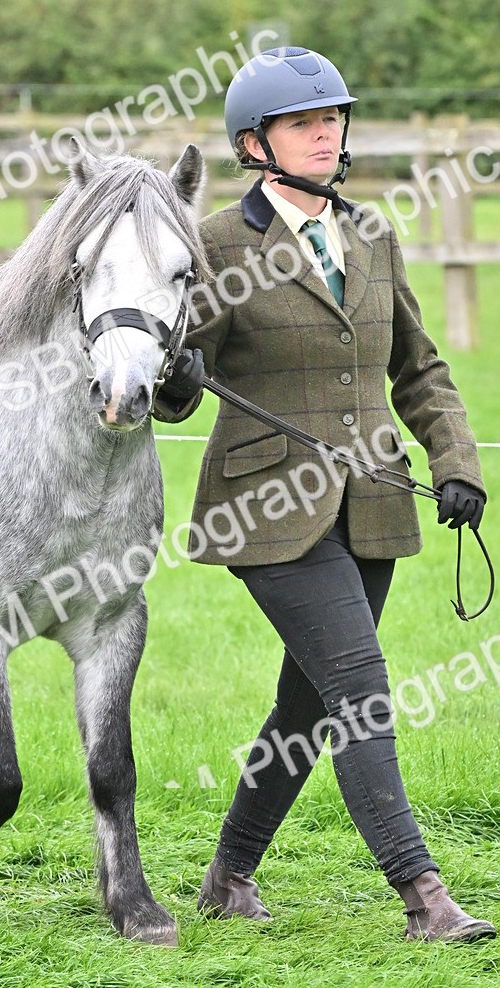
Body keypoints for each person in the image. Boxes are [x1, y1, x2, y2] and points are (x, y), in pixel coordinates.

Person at [154, 46, 495, 943]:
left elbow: (417, 366)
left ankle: (229, 875)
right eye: (304, 121)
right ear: (253, 143)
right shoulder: (219, 243)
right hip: (266, 505)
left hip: (372, 500)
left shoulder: (373, 235)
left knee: (307, 705)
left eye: (333, 118)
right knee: (361, 691)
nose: (325, 132)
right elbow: (176, 385)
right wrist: (176, 371)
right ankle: (425, 898)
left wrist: (456, 461)